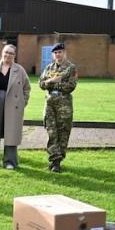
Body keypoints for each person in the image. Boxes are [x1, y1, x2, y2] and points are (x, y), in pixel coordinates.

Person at [0, 44, 30, 169]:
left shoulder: (19, 70)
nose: (8, 55)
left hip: (13, 105)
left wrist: (22, 102)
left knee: (11, 132)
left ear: (14, 55)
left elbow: (27, 88)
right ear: (2, 53)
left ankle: (10, 161)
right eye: (6, 52)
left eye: (11, 53)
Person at [39, 43, 77, 173]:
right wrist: (50, 82)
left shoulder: (71, 68)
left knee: (63, 132)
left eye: (60, 52)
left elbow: (71, 86)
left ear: (64, 53)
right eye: (55, 53)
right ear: (53, 54)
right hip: (50, 103)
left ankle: (58, 161)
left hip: (64, 104)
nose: (58, 55)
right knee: (51, 131)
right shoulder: (49, 68)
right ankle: (54, 159)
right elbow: (41, 84)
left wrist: (55, 83)